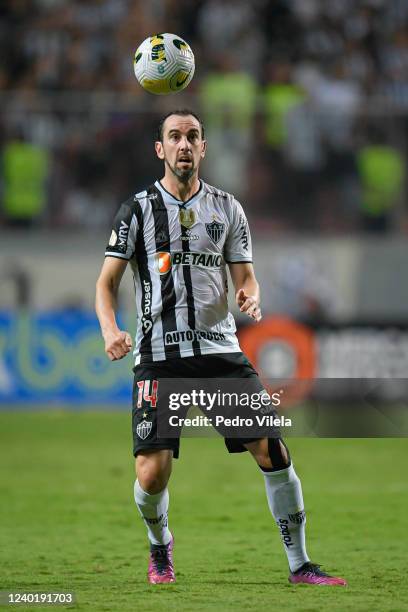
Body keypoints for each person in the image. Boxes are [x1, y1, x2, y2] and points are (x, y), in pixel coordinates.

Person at [95, 109, 346, 587]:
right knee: (151, 475)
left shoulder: (228, 208)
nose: (184, 144)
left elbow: (246, 276)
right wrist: (110, 330)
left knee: (273, 450)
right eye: (175, 137)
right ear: (160, 149)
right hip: (159, 358)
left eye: (192, 136)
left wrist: (252, 293)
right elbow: (106, 283)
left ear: (203, 148)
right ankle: (159, 545)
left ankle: (300, 565)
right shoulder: (138, 210)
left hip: (219, 352)